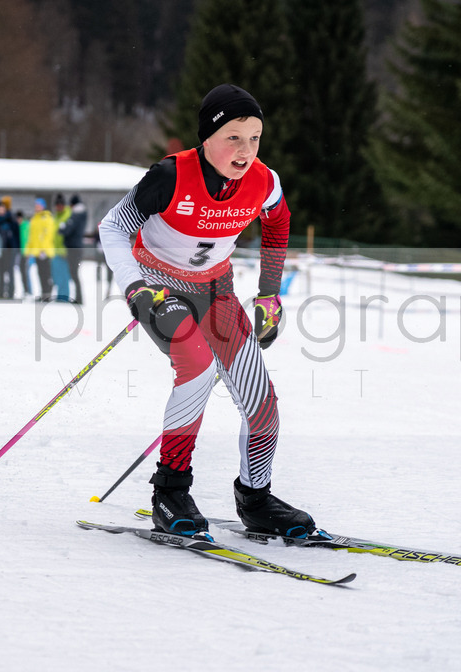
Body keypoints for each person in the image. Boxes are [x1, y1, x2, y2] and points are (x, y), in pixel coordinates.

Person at [98, 83, 312, 538]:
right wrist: (134, 286)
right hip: (158, 286)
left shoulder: (264, 182)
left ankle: (255, 499)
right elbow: (113, 226)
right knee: (195, 364)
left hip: (217, 291)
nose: (245, 149)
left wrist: (269, 294)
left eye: (254, 137)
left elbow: (278, 223)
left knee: (262, 403)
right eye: (234, 136)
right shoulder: (171, 176)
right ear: (208, 137)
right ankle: (171, 491)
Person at [24, 198, 57, 301]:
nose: (36, 207)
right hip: (36, 251)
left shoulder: (47, 218)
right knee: (39, 272)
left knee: (45, 273)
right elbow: (32, 237)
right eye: (35, 205)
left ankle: (47, 293)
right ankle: (43, 293)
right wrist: (28, 251)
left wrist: (43, 249)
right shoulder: (34, 219)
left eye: (38, 205)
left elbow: (48, 235)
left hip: (44, 251)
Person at [59, 194, 87, 304]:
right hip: (77, 247)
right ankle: (79, 297)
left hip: (73, 248)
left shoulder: (75, 216)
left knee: (74, 273)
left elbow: (67, 230)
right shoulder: (82, 214)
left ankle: (79, 298)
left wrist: (62, 227)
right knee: (75, 274)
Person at [0, 202, 19, 298]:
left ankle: (11, 292)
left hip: (10, 250)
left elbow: (17, 235)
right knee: (0, 271)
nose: (1, 211)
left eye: (3, 209)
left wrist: (17, 248)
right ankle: (1, 291)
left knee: (10, 271)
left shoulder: (11, 220)